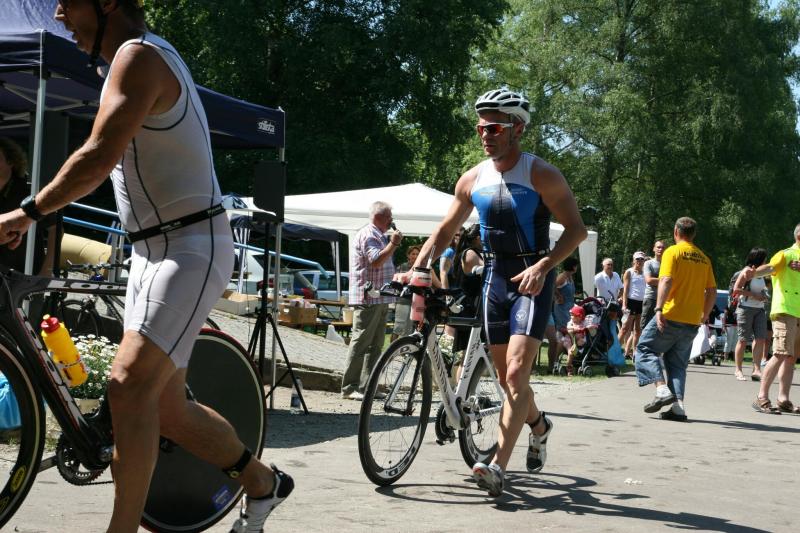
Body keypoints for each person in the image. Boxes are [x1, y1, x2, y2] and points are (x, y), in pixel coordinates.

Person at [0, 3, 290, 532]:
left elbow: (97, 156)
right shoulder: (128, 58)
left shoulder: (139, 57)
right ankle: (262, 482)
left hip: (189, 247)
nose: (59, 13)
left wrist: (27, 212)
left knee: (127, 385)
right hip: (151, 251)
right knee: (169, 411)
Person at [403, 89, 586, 497]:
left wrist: (544, 266)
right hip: (495, 280)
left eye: (494, 128)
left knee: (518, 373)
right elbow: (446, 230)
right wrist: (418, 267)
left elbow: (577, 231)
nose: (485, 134)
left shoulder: (541, 174)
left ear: (517, 128)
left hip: (532, 278)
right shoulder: (472, 179)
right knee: (506, 379)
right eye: (481, 128)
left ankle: (497, 466)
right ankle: (540, 425)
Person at [634, 217, 716, 422]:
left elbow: (666, 279)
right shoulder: (704, 258)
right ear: (693, 234)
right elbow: (712, 291)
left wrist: (659, 308)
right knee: (677, 364)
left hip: (671, 314)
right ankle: (678, 407)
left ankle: (661, 389)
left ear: (676, 232)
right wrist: (704, 315)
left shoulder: (672, 252)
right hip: (692, 319)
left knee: (644, 348)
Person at [341, 201, 403, 401]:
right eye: (389, 217)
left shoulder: (379, 235)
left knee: (376, 345)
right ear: (379, 217)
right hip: (369, 297)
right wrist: (394, 244)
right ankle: (349, 388)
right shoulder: (369, 234)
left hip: (380, 296)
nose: (392, 220)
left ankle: (368, 386)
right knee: (361, 343)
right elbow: (376, 261)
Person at [745, 224, 800, 414]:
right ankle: (761, 397)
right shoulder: (786, 254)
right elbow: (770, 268)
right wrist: (753, 273)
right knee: (780, 353)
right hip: (785, 310)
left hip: (798, 313)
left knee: (791, 357)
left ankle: (783, 399)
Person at [0, 137, 59, 276]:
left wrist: (47, 270)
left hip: (24, 275)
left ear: (11, 161)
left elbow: (56, 229)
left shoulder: (31, 191)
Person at [731, 248, 769, 381]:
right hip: (745, 309)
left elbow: (762, 288)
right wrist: (754, 295)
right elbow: (736, 290)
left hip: (760, 309)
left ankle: (756, 369)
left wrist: (764, 295)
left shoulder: (762, 272)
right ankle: (738, 370)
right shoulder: (746, 271)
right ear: (759, 259)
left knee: (760, 339)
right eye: (764, 259)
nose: (766, 261)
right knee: (742, 340)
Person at [548, 257, 579, 372]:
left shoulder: (570, 277)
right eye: (576, 265)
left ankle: (564, 361)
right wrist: (558, 296)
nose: (577, 267)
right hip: (561, 309)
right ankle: (554, 362)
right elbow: (552, 286)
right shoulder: (562, 276)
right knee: (564, 332)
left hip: (569, 308)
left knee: (569, 334)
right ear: (573, 266)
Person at [392, 245, 421, 341]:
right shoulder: (402, 267)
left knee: (411, 329)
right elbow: (396, 283)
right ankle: (391, 347)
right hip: (403, 301)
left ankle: (407, 348)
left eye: (417, 254)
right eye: (413, 254)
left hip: (416, 301)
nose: (415, 256)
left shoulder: (421, 268)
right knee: (398, 328)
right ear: (408, 255)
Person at [620, 251, 647, 358]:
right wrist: (624, 304)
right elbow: (625, 290)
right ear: (633, 260)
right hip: (630, 302)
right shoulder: (629, 272)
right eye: (637, 259)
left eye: (641, 259)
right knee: (624, 329)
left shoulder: (646, 272)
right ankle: (615, 351)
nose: (639, 261)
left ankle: (634, 353)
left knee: (638, 330)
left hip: (642, 303)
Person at [641, 240, 665, 330]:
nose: (660, 249)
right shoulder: (648, 263)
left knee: (660, 327)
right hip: (651, 298)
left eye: (663, 248)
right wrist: (666, 281)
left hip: (664, 300)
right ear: (654, 249)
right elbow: (649, 280)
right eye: (658, 247)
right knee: (645, 327)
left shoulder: (668, 264)